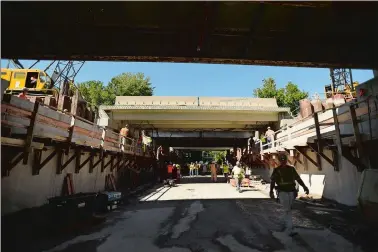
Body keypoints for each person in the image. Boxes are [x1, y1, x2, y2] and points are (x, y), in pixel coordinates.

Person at [270, 153, 309, 237]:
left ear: (286, 160)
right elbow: (273, 181)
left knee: (288, 209)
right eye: (282, 160)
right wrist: (271, 192)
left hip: (292, 192)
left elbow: (298, 179)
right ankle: (289, 229)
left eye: (284, 159)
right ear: (280, 161)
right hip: (282, 192)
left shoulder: (291, 169)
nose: (283, 161)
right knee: (287, 210)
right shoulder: (276, 170)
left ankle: (282, 223)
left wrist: (305, 187)